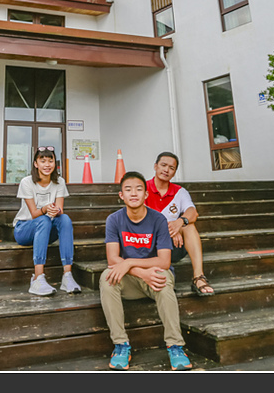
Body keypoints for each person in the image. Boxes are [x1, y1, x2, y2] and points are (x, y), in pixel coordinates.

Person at [100, 171, 193, 371]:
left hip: (156, 277)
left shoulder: (158, 219)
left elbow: (165, 261)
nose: (134, 193)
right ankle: (121, 345)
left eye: (139, 189)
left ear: (146, 195)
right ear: (121, 195)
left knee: (163, 278)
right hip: (134, 280)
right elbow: (112, 259)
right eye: (128, 189)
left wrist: (129, 263)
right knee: (107, 278)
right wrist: (140, 272)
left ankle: (175, 346)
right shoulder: (114, 220)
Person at [12, 146, 81, 296]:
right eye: (42, 161)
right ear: (35, 164)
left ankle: (67, 276)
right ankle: (38, 278)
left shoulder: (59, 182)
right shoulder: (27, 182)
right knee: (43, 220)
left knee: (65, 219)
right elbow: (34, 213)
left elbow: (60, 210)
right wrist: (45, 209)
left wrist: (55, 210)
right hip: (24, 229)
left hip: (47, 228)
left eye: (50, 161)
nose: (47, 164)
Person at [145, 152, 214, 296]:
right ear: (155, 166)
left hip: (173, 246)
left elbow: (192, 212)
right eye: (163, 165)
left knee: (188, 225)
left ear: (174, 172)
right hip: (148, 245)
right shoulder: (143, 188)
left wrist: (180, 222)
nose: (166, 170)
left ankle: (198, 277)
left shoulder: (179, 192)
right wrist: (170, 227)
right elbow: (138, 218)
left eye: (171, 168)